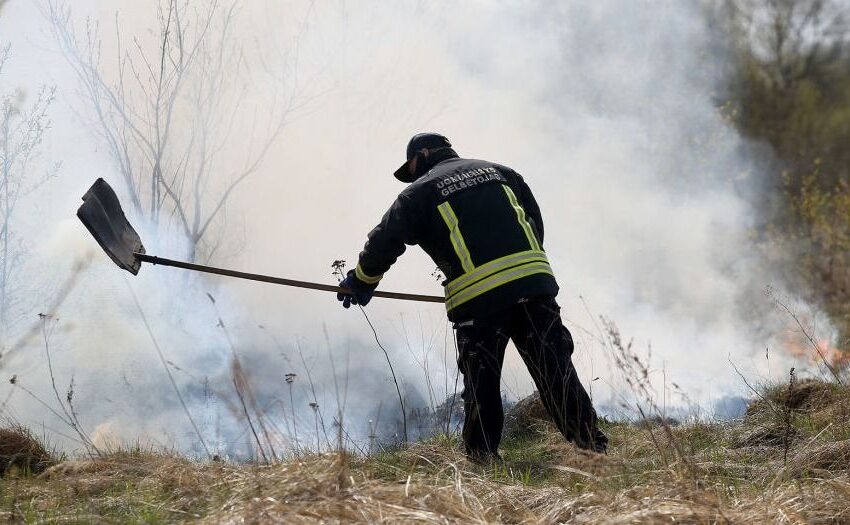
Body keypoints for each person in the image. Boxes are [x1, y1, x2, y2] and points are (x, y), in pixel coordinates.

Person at [338, 133, 607, 459]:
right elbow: (533, 222)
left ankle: (482, 461)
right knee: (556, 372)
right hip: (534, 286)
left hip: (481, 302)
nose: (415, 175)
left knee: (483, 384)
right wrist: (521, 273)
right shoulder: (502, 172)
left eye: (413, 167)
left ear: (423, 154)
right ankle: (593, 450)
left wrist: (362, 281)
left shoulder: (418, 193)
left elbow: (385, 240)